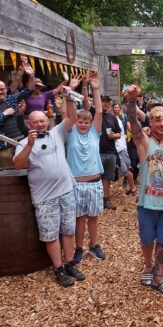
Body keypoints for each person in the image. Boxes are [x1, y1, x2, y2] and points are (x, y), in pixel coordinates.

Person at [13, 88, 85, 287]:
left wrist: (70, 97)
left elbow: (71, 117)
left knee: (69, 230)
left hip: (66, 191)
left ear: (47, 121)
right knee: (50, 234)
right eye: (35, 121)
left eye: (42, 120)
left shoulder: (56, 133)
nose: (40, 124)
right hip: (44, 197)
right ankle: (58, 268)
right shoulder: (23, 143)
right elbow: (18, 165)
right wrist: (29, 145)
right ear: (29, 123)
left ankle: (70, 263)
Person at [127, 86, 163, 296]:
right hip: (147, 202)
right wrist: (131, 101)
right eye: (157, 119)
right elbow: (132, 121)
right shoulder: (144, 141)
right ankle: (148, 266)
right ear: (150, 121)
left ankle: (159, 275)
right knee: (147, 239)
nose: (161, 123)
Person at [66, 74, 106, 263]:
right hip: (76, 183)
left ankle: (94, 245)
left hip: (94, 182)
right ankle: (79, 247)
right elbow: (69, 113)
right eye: (80, 121)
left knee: (93, 217)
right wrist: (72, 89)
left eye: (85, 122)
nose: (83, 124)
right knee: (79, 218)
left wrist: (96, 89)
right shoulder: (71, 131)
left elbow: (98, 112)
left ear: (90, 123)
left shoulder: (94, 133)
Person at [0, 61, 35, 168]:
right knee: (8, 177)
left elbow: (29, 90)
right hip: (4, 149)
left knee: (25, 172)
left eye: (3, 89)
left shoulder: (11, 99)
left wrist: (31, 76)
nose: (2, 92)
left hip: (21, 143)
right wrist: (4, 114)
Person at [99, 95, 121, 210]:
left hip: (110, 151)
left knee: (107, 177)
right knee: (96, 177)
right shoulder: (94, 114)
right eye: (103, 102)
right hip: (96, 152)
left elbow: (119, 133)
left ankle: (106, 199)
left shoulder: (112, 117)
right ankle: (96, 200)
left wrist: (114, 135)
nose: (106, 104)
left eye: (107, 102)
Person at [112, 102, 137, 195]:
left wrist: (135, 134)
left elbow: (127, 127)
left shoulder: (121, 118)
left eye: (118, 107)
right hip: (117, 147)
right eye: (115, 107)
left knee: (127, 168)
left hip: (121, 146)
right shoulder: (113, 118)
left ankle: (132, 188)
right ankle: (132, 188)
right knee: (125, 169)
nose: (117, 109)